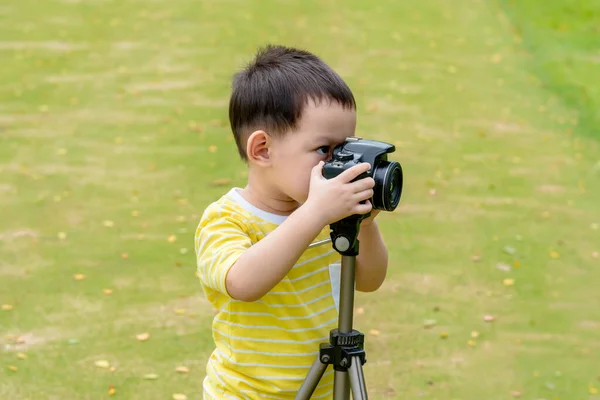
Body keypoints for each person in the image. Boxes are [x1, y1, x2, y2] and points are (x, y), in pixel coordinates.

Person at [194, 44, 389, 399]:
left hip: (327, 388)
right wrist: (314, 214)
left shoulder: (329, 211)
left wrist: (366, 225)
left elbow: (371, 280)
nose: (338, 164)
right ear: (263, 150)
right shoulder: (226, 219)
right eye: (324, 150)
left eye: (345, 148)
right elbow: (243, 283)